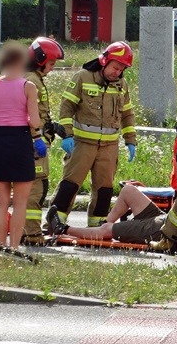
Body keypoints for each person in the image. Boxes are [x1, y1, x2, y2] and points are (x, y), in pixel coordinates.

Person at [45, 139, 177, 245]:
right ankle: (104, 224)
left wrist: (171, 241)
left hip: (158, 231)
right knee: (128, 190)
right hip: (163, 218)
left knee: (107, 230)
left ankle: (63, 229)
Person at [50, 42, 137, 227]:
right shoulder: (83, 77)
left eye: (122, 69)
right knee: (70, 184)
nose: (117, 72)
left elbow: (127, 114)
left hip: (109, 147)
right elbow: (67, 107)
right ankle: (55, 221)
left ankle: (96, 225)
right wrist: (67, 135)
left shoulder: (122, 84)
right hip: (82, 144)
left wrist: (131, 140)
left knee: (104, 188)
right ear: (105, 61)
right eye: (115, 67)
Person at [0, 43, 42, 249]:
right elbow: (35, 122)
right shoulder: (28, 86)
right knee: (20, 202)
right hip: (20, 141)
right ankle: (14, 247)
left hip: (0, 141)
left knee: (2, 201)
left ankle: (0, 245)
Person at [22, 37, 65, 245]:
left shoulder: (33, 78)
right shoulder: (32, 81)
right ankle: (32, 235)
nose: (52, 68)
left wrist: (52, 127)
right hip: (33, 143)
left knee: (33, 187)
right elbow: (29, 115)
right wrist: (37, 136)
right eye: (52, 63)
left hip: (34, 140)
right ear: (40, 59)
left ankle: (25, 231)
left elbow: (37, 114)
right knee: (36, 189)